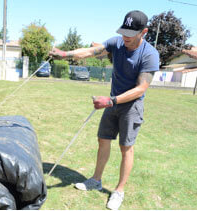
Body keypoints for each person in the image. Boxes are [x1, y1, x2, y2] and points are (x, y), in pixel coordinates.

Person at [50, 10, 159, 210]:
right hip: (112, 102)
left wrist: (111, 101)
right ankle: (96, 180)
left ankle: (119, 191)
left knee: (126, 148)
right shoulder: (116, 43)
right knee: (103, 140)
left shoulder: (150, 54)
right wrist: (65, 54)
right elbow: (91, 51)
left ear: (144, 32)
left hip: (131, 105)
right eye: (123, 31)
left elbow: (141, 88)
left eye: (131, 33)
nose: (125, 37)